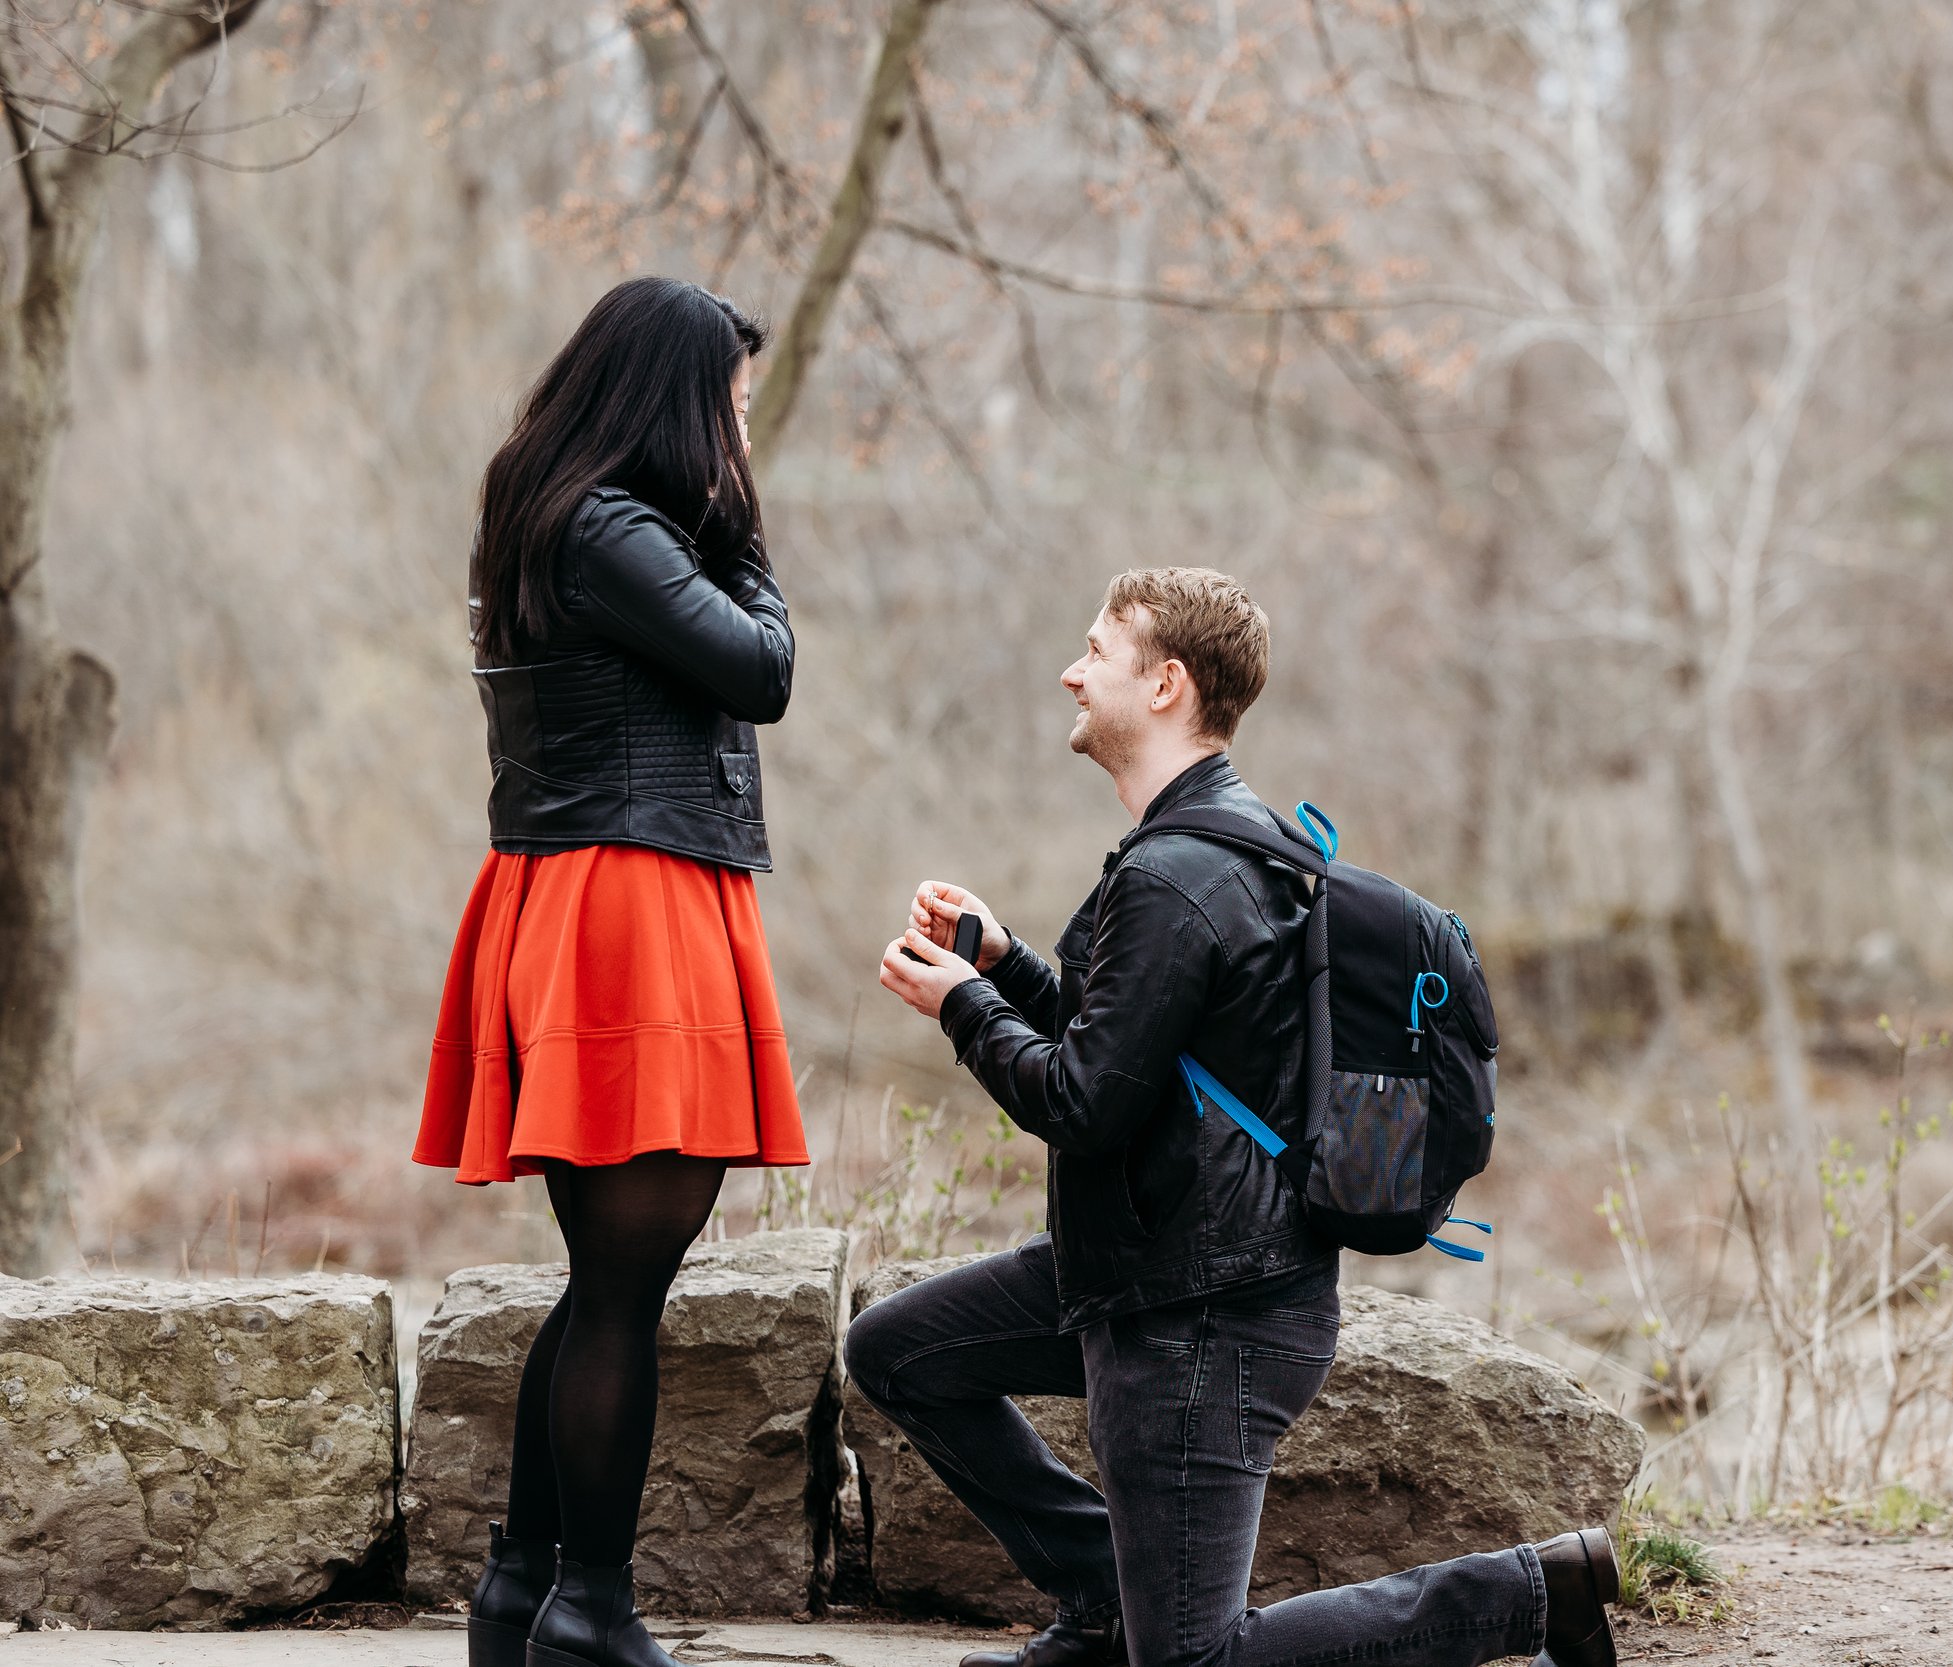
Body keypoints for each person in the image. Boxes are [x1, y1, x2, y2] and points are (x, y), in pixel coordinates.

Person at [855, 567, 1621, 1667]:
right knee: (902, 1349)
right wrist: (1006, 961)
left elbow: (1081, 1101)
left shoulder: (1176, 873)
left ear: (1165, 683)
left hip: (1204, 1312)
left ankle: (1530, 1593)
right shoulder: (1232, 841)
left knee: (1195, 1661)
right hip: (1157, 1263)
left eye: (1096, 652)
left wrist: (960, 1005)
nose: (1071, 671)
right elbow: (1140, 1051)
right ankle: (1101, 1593)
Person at [412, 275, 807, 1667]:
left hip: (578, 886)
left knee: (604, 1278)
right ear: (673, 399)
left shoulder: (551, 510)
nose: (740, 435)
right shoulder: (616, 529)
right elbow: (762, 670)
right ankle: (593, 1607)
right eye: (732, 408)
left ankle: (528, 1591)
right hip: (626, 901)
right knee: (624, 1282)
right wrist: (745, 524)